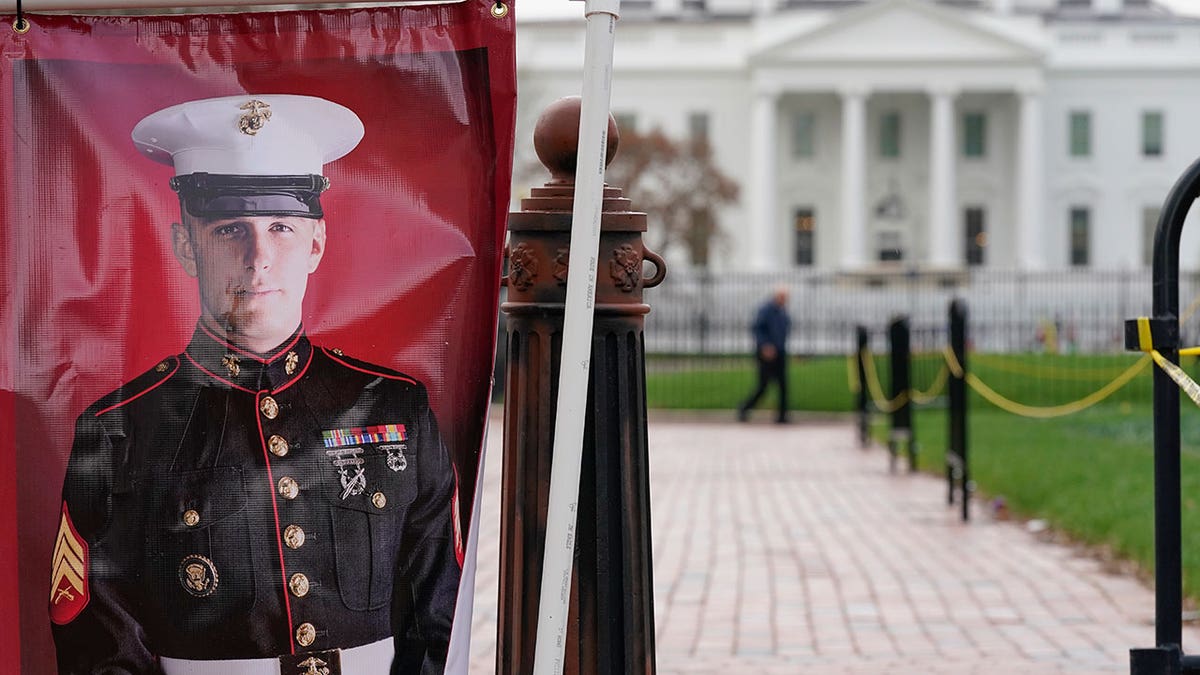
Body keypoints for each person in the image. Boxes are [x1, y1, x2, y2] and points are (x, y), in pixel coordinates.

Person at [48, 95, 461, 675]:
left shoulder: (395, 406)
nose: (258, 258)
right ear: (186, 247)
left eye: (281, 228)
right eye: (230, 230)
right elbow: (97, 638)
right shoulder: (118, 428)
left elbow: (438, 610)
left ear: (316, 244)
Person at [737, 285, 791, 424]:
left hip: (779, 352)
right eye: (783, 296)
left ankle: (782, 416)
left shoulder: (782, 311)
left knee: (783, 385)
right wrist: (765, 345)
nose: (785, 300)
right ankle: (744, 408)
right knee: (763, 386)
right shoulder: (766, 310)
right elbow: (757, 329)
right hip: (766, 353)